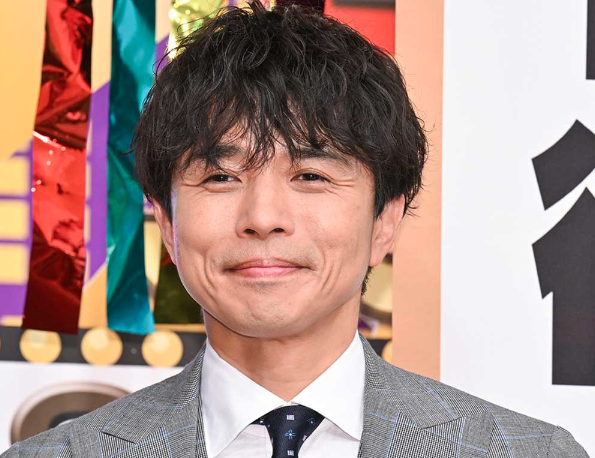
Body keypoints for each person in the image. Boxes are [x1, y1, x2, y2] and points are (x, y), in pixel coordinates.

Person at [1, 2, 589, 457]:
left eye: (310, 175)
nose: (263, 217)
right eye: (221, 177)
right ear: (168, 224)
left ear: (386, 220)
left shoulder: (526, 452)